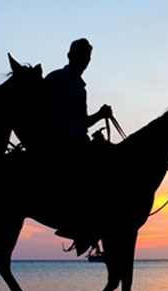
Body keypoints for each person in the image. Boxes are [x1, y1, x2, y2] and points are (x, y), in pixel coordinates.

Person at [41, 38, 114, 255]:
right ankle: (77, 225)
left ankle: (91, 224)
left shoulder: (81, 87)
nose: (85, 62)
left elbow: (81, 122)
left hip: (78, 138)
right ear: (70, 56)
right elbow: (44, 111)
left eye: (88, 58)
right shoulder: (56, 79)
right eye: (82, 57)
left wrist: (100, 116)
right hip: (62, 141)